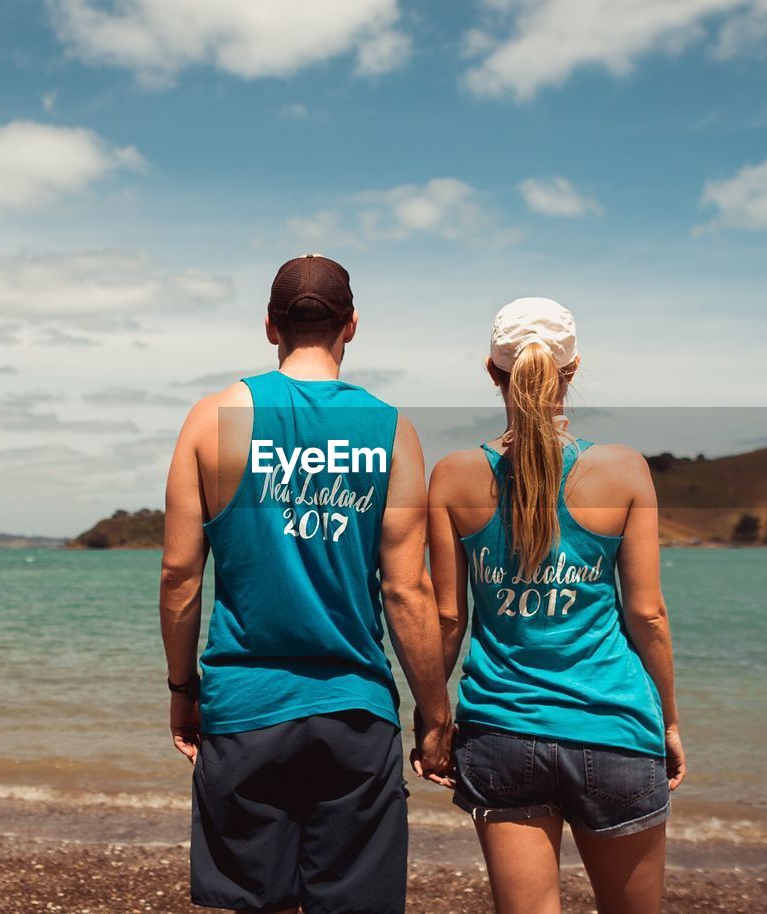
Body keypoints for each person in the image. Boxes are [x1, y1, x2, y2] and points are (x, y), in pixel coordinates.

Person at [159, 253, 453, 914]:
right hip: (354, 712)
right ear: (351, 326)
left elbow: (180, 575)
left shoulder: (212, 419)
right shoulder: (391, 430)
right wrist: (436, 717)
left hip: (245, 708)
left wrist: (184, 690)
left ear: (271, 326)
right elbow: (407, 593)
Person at [424, 297, 686, 914]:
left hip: (501, 732)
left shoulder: (455, 476)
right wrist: (669, 721)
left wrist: (433, 720)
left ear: (493, 373)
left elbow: (448, 620)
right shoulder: (623, 470)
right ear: (572, 371)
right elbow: (646, 615)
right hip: (616, 729)